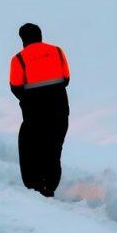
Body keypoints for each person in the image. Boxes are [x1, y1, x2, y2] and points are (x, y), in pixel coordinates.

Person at [9, 23, 71, 197]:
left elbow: (15, 87)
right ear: (40, 35)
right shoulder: (58, 51)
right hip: (60, 110)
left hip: (34, 114)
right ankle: (50, 185)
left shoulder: (18, 59)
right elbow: (66, 79)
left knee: (31, 148)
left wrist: (29, 99)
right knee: (53, 149)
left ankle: (35, 186)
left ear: (22, 39)